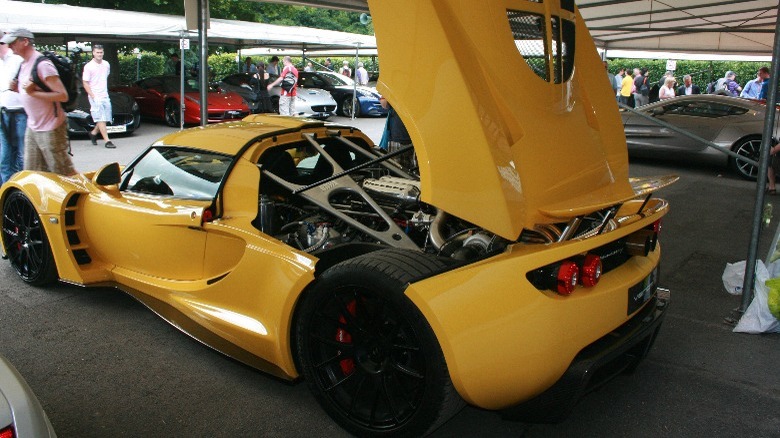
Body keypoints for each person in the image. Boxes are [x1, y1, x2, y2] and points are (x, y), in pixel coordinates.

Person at [1, 28, 75, 176]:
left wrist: (33, 92)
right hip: (33, 126)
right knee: (33, 174)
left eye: (13, 43)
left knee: (62, 172)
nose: (10, 47)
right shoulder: (24, 64)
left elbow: (62, 95)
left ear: (25, 41)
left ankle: (82, 196)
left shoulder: (42, 64)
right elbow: (28, 90)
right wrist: (18, 90)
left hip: (51, 127)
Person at [0, 28, 26, 185]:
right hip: (3, 114)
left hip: (20, 113)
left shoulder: (17, 60)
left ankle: (24, 196)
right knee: (4, 159)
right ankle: (5, 198)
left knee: (24, 158)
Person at [82, 44, 115, 149]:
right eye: (97, 52)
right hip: (95, 96)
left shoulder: (106, 64)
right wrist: (92, 96)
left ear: (103, 53)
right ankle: (107, 140)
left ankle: (93, 133)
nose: (99, 54)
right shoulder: (88, 66)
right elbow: (85, 83)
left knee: (105, 117)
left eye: (101, 52)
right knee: (100, 118)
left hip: (105, 95)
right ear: (93, 53)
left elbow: (106, 76)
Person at [378, 96, 415, 172]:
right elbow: (384, 102)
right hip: (403, 140)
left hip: (407, 141)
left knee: (399, 172)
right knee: (405, 173)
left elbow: (384, 103)